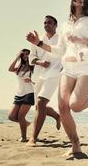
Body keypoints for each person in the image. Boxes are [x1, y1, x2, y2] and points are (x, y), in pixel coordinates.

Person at [26, 0, 88, 156]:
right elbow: (59, 50)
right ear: (72, 1)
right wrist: (39, 43)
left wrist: (81, 40)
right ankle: (75, 145)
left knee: (75, 105)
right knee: (63, 107)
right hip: (68, 68)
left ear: (86, 1)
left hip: (87, 67)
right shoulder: (65, 25)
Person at [27, 15, 62, 146]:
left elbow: (64, 55)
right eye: (45, 23)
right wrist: (40, 62)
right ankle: (57, 116)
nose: (47, 25)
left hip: (54, 75)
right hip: (39, 76)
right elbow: (31, 58)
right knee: (38, 107)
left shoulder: (60, 39)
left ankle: (33, 138)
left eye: (50, 23)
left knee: (41, 103)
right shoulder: (37, 39)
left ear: (56, 25)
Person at [8, 49, 34, 142]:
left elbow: (39, 81)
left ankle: (24, 137)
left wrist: (31, 80)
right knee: (11, 117)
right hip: (19, 94)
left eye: (27, 54)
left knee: (20, 116)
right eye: (23, 55)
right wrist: (17, 57)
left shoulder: (32, 67)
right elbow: (10, 69)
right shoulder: (19, 68)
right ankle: (25, 123)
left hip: (29, 93)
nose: (25, 56)